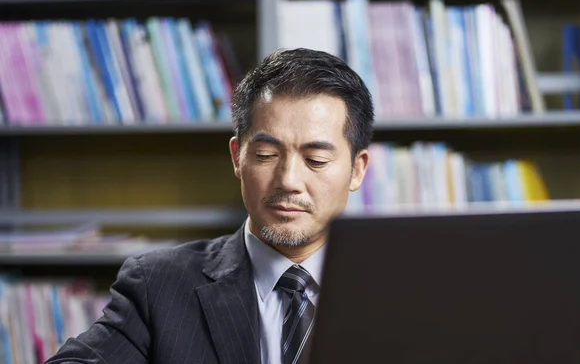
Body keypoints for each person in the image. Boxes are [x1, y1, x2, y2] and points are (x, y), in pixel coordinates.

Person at [46, 47, 373, 364]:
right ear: (237, 157)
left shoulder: (405, 290)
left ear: (357, 169)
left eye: (315, 160)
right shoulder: (158, 285)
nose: (288, 180)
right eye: (265, 156)